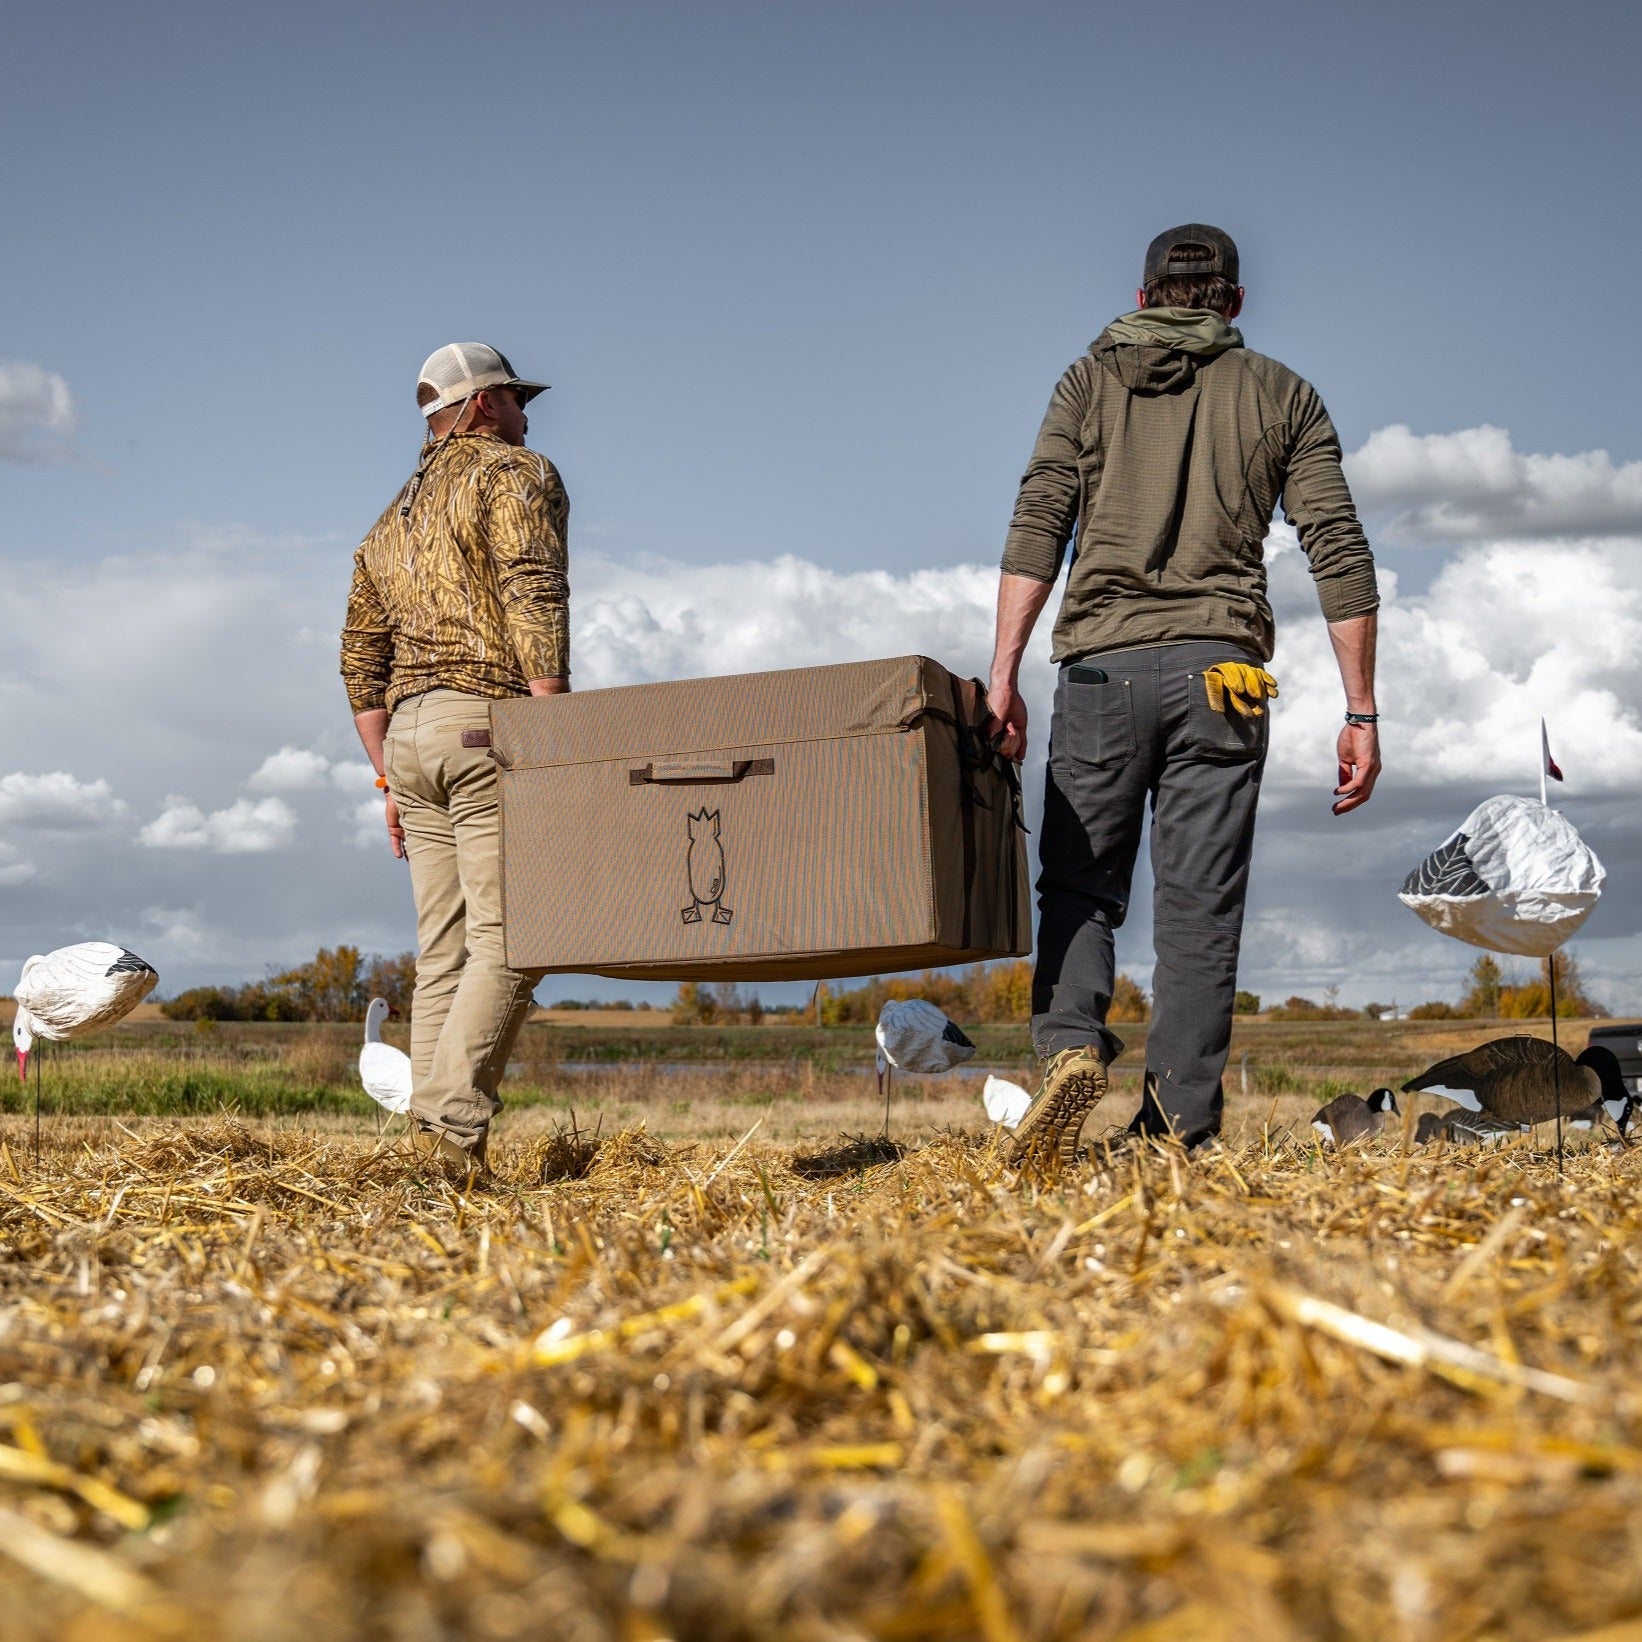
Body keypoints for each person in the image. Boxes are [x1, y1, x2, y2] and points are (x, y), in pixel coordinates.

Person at [987, 226, 1380, 1162]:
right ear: (1234, 302)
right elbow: (1338, 548)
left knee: (1081, 887)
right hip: (1223, 679)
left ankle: (1071, 1047)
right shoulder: (1283, 393)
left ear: (1143, 297)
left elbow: (1039, 520)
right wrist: (1360, 710)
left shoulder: (1087, 383)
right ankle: (1174, 1130)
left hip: (1101, 672)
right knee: (1200, 909)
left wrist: (1004, 671)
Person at [340, 342, 570, 1175]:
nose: (525, 416)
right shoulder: (515, 474)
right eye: (513, 399)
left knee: (443, 950)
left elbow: (359, 661)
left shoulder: (386, 524)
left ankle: (427, 1155)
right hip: (488, 723)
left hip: (409, 742)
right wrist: (555, 735)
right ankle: (451, 1132)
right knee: (516, 935)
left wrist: (388, 777)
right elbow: (533, 590)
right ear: (480, 406)